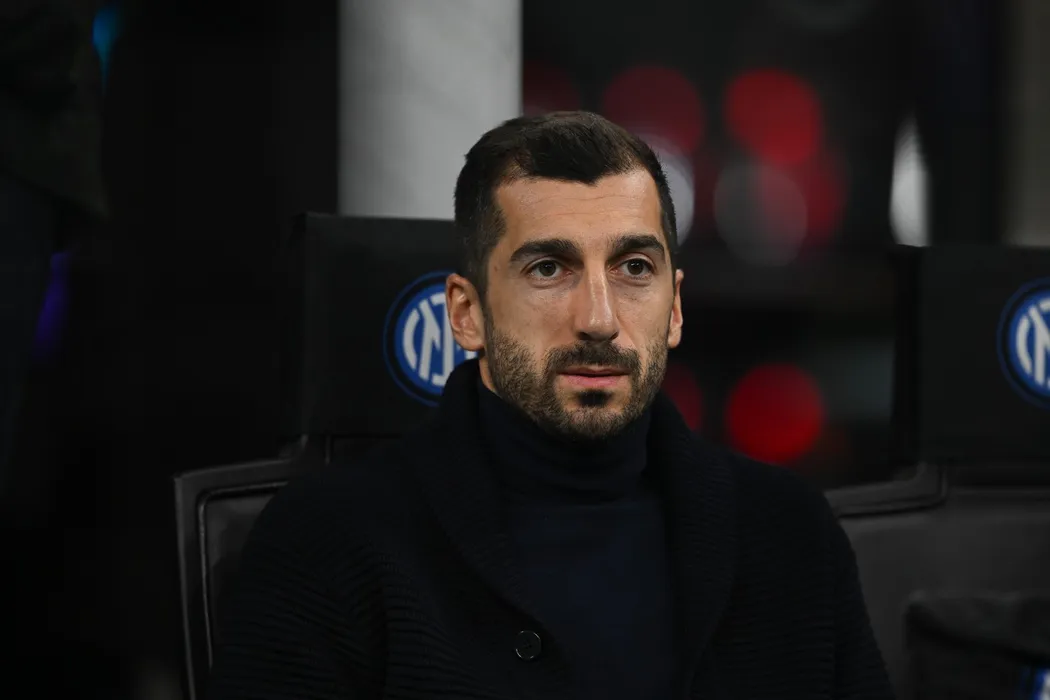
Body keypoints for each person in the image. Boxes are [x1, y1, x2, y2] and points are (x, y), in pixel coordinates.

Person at [209, 111, 894, 699]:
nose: (599, 319)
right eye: (549, 269)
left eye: (634, 269)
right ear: (467, 314)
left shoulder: (791, 535)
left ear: (676, 307)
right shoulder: (327, 540)